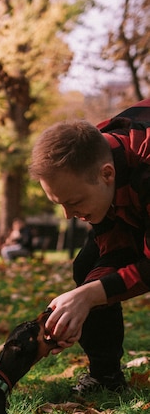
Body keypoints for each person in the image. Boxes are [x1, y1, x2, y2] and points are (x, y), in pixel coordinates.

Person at [29, 98, 150, 395]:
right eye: (60, 204)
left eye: (74, 202)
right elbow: (115, 247)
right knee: (87, 266)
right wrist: (81, 302)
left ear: (107, 175)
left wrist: (89, 296)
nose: (69, 216)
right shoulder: (90, 157)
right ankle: (105, 377)